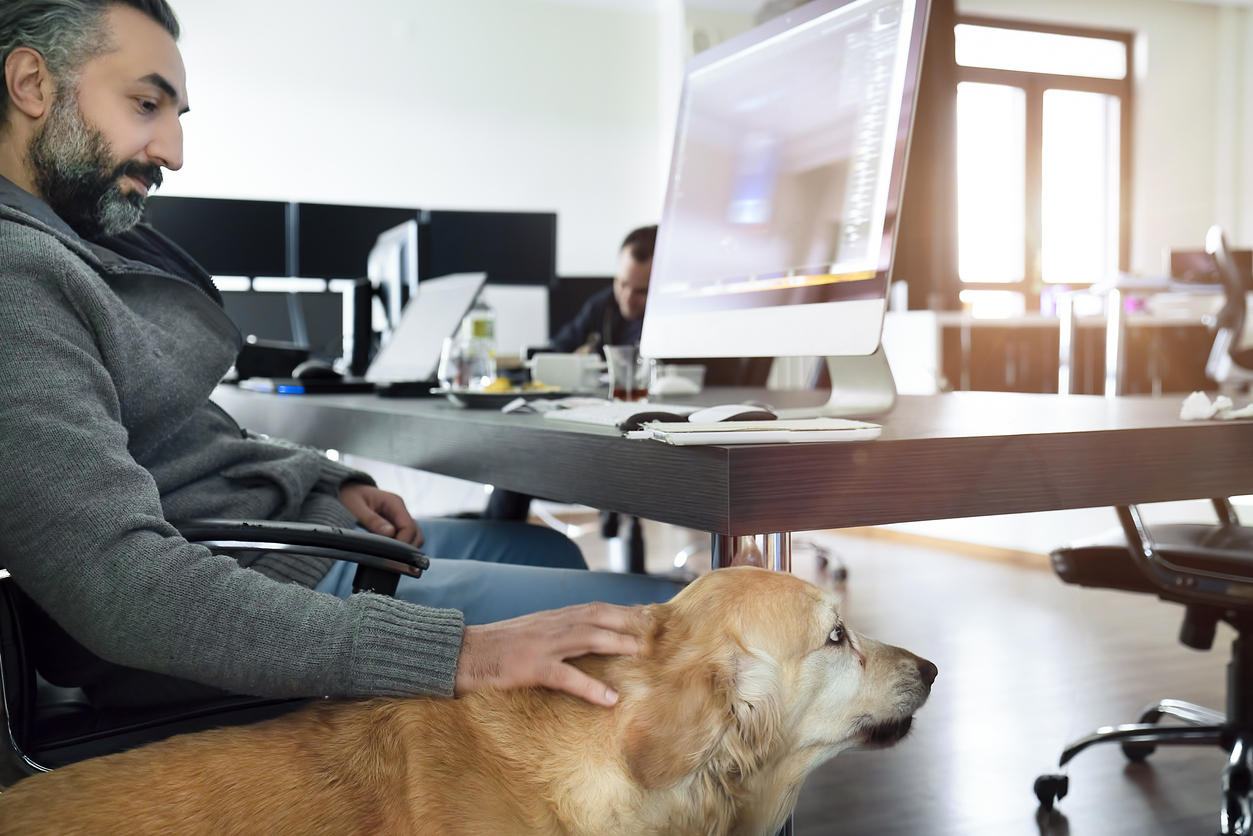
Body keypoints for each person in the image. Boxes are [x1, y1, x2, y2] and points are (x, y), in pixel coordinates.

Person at [0, 0, 678, 712]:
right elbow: (119, 586)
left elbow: (180, 434)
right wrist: (462, 652)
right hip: (246, 588)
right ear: (30, 84)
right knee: (674, 624)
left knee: (553, 554)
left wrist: (321, 479)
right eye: (145, 103)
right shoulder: (18, 278)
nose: (173, 150)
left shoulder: (74, 252)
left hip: (277, 542)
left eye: (176, 117)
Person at [549, 224, 656, 355]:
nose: (627, 298)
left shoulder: (668, 325)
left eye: (641, 291)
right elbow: (559, 346)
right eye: (622, 284)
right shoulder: (602, 307)